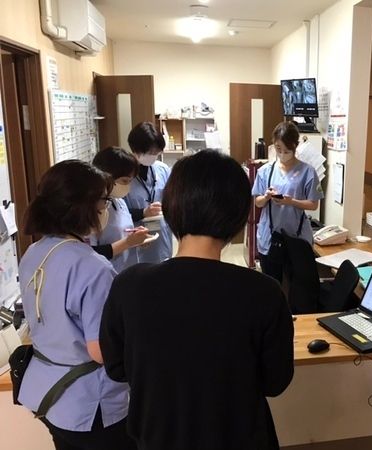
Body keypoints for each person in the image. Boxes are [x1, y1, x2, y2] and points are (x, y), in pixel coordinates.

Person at [100, 151, 294, 450]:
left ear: (171, 208)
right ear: (239, 215)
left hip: (157, 438)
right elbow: (275, 382)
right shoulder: (264, 292)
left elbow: (117, 368)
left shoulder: (129, 285)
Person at [17, 160, 135, 450]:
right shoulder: (93, 267)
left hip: (48, 394)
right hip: (90, 404)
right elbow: (101, 351)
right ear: (86, 207)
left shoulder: (34, 252)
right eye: (104, 201)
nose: (105, 209)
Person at [252, 121, 323, 282]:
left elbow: (313, 204)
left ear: (295, 146)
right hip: (270, 238)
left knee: (297, 287)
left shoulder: (308, 171)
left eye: (287, 150)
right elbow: (258, 202)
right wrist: (267, 197)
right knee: (272, 285)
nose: (282, 153)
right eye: (278, 149)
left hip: (297, 237)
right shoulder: (265, 171)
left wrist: (291, 202)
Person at [90, 146, 150, 272]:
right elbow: (90, 253)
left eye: (130, 181)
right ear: (106, 176)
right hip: (108, 274)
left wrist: (136, 237)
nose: (128, 186)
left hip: (127, 271)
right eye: (124, 181)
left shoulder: (119, 201)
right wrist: (128, 242)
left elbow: (121, 232)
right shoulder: (93, 208)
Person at [124, 121, 173, 263]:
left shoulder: (162, 169)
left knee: (162, 266)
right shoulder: (123, 175)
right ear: (136, 149)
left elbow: (171, 197)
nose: (154, 155)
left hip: (161, 235)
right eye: (150, 152)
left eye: (156, 152)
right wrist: (143, 212)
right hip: (135, 237)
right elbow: (118, 212)